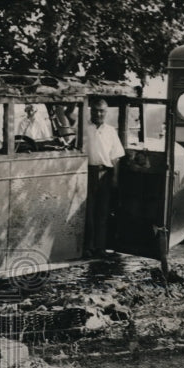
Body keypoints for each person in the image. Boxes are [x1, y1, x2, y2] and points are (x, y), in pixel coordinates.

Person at [83, 98, 124, 256]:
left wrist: (115, 178)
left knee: (102, 211)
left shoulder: (110, 131)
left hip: (105, 173)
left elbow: (116, 156)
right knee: (88, 211)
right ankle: (88, 247)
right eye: (95, 110)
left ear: (106, 113)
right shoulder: (84, 128)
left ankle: (100, 247)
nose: (98, 113)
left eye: (102, 111)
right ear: (91, 111)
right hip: (88, 172)